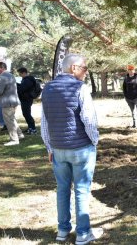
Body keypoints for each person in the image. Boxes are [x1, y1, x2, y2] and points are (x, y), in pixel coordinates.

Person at [41, 54, 103, 244]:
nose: (85, 72)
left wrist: (49, 147)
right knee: (82, 190)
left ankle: (62, 230)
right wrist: (94, 141)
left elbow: (45, 122)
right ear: (73, 68)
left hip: (58, 149)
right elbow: (89, 120)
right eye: (84, 68)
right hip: (81, 148)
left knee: (62, 190)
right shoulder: (80, 88)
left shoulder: (48, 89)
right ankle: (83, 234)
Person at [0, 62, 24, 146]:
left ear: (2, 68)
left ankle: (14, 140)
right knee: (12, 119)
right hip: (14, 101)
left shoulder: (2, 77)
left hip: (7, 102)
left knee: (8, 121)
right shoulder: (11, 75)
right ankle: (20, 134)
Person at [123, 65, 137, 129]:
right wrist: (125, 95)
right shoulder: (126, 78)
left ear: (134, 70)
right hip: (128, 98)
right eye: (129, 70)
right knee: (133, 112)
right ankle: (134, 124)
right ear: (128, 71)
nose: (131, 71)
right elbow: (124, 87)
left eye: (132, 70)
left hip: (136, 98)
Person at [16, 67, 37, 134]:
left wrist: (15, 85)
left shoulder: (28, 80)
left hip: (27, 99)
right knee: (26, 114)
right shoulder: (25, 79)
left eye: (20, 73)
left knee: (27, 114)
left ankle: (33, 129)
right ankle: (30, 127)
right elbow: (22, 87)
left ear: (24, 73)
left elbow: (22, 89)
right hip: (25, 99)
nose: (19, 75)